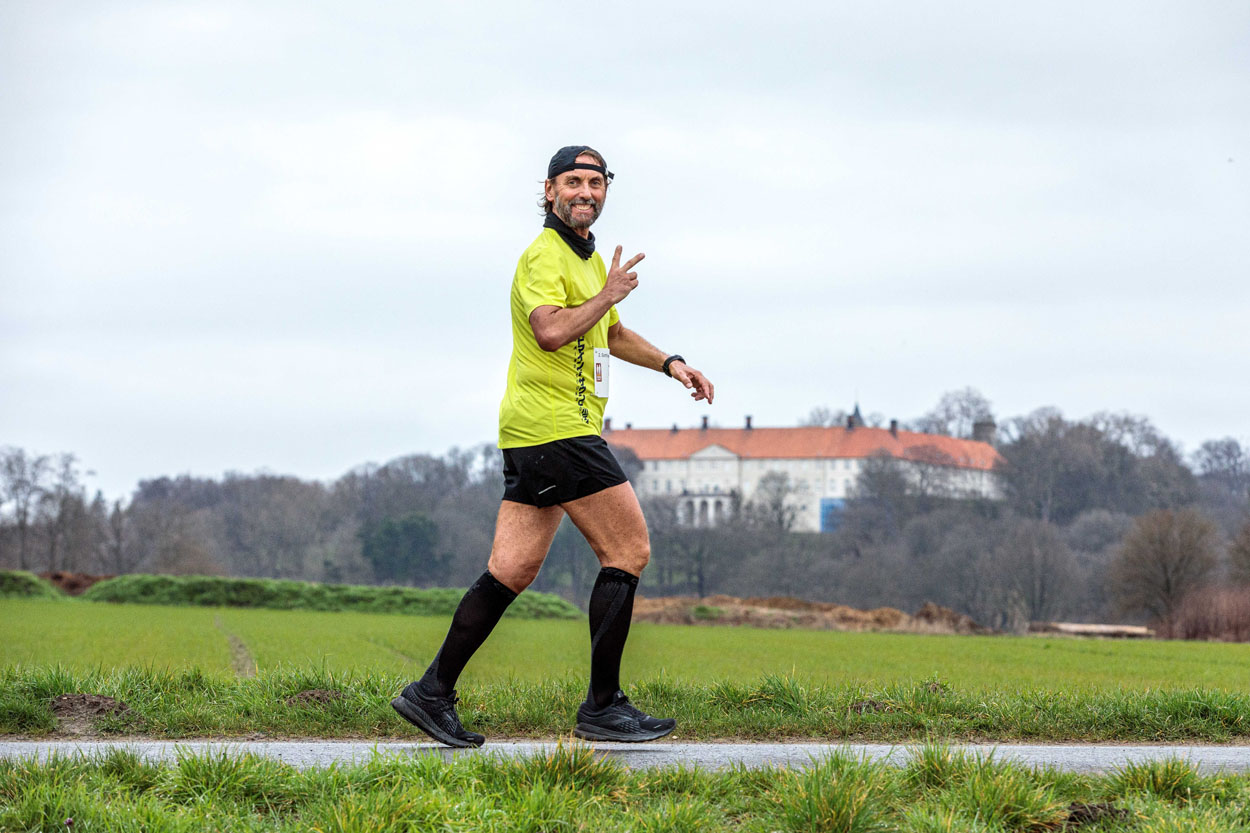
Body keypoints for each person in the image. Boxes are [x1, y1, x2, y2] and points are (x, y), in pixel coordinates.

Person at [391, 145, 715, 747]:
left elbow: (609, 334)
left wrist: (672, 363)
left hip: (537, 433)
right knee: (629, 549)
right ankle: (603, 705)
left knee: (510, 569)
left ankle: (430, 692)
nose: (585, 191)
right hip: (555, 429)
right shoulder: (544, 255)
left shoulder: (588, 259)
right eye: (573, 181)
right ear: (549, 191)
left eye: (595, 182)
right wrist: (608, 294)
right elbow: (549, 330)